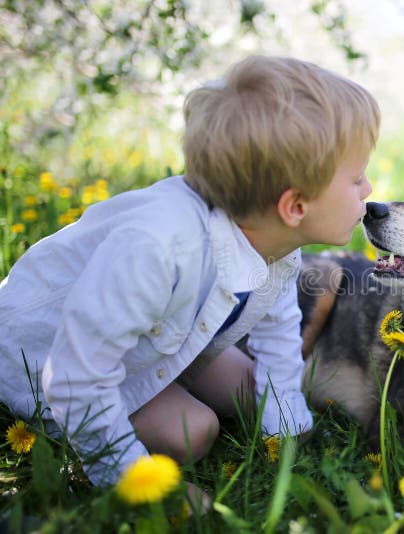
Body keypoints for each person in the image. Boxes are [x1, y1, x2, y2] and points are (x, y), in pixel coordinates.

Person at [0, 56, 379, 502]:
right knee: (194, 431)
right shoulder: (157, 246)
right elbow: (73, 376)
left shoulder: (277, 243)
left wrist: (289, 428)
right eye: (356, 178)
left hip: (160, 341)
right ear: (294, 206)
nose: (369, 190)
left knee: (254, 393)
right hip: (40, 357)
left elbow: (278, 333)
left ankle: (176, 386)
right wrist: (134, 483)